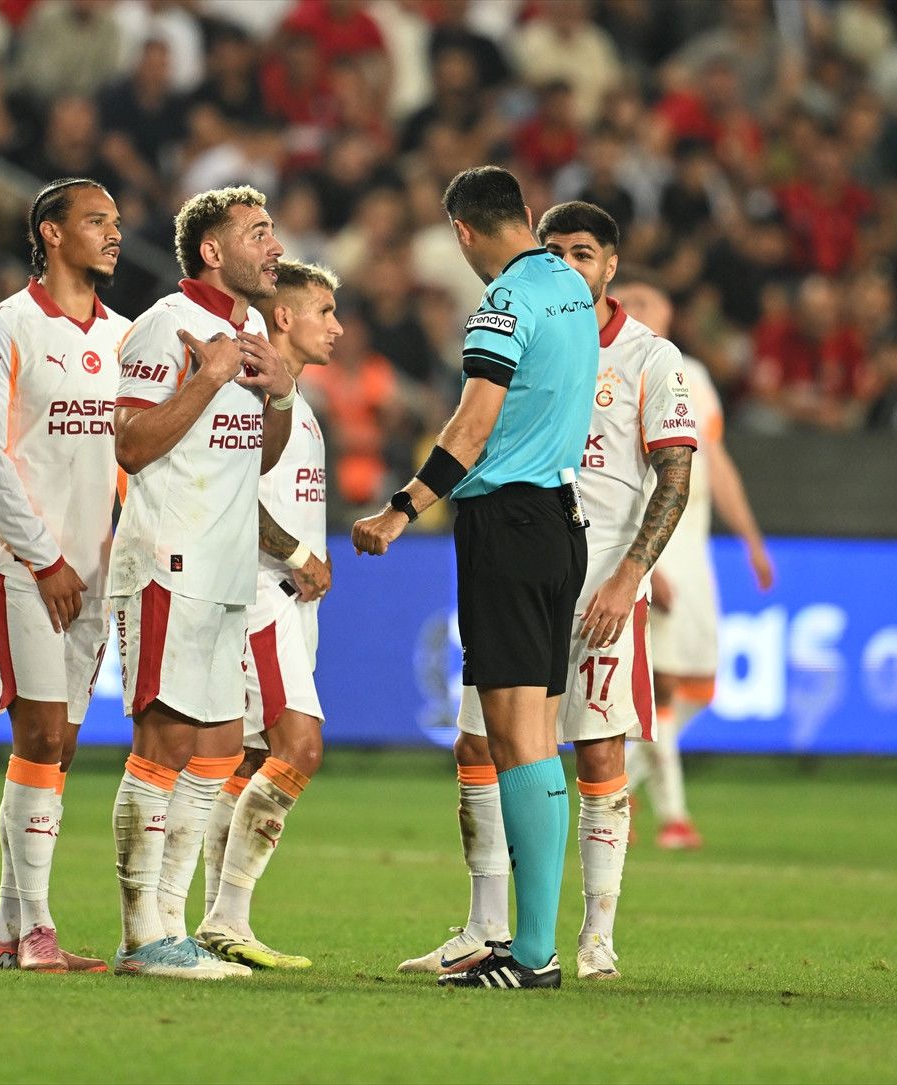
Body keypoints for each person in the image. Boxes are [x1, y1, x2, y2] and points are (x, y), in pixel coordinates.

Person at [395, 203, 697, 986]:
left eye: (584, 252)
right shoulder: (528, 325)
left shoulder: (648, 357)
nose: (568, 262)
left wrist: (632, 571)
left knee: (598, 751)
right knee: (479, 743)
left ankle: (595, 933)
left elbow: (675, 473)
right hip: (522, 558)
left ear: (611, 265)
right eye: (555, 248)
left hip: (597, 581)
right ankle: (487, 924)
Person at [353, 168, 600, 991]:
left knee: (516, 736)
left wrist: (404, 505)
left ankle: (532, 951)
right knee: (536, 732)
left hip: (509, 521)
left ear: (462, 231)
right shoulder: (570, 285)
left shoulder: (502, 305)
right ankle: (528, 941)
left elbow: (475, 418)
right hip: (563, 522)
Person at [109, 185, 319, 980]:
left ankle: (172, 926)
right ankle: (141, 933)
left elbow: (255, 457)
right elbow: (129, 445)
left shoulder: (250, 330)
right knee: (164, 743)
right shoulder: (166, 325)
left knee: (219, 749)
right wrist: (209, 377)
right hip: (170, 560)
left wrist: (278, 392)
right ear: (211, 250)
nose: (273, 246)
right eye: (258, 233)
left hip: (230, 567)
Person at [0, 178, 129, 973]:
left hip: (93, 570)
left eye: (118, 222)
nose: (113, 233)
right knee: (41, 733)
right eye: (96, 220)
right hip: (20, 563)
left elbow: (135, 453)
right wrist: (46, 556)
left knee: (59, 749)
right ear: (51, 233)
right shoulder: (3, 328)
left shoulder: (127, 338)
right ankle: (37, 933)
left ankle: (6, 930)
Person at [196, 259, 342, 970]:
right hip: (259, 594)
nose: (336, 326)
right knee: (300, 748)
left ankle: (219, 920)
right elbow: (226, 493)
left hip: (286, 599)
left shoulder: (298, 405)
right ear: (282, 316)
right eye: (323, 310)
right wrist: (295, 555)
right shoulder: (251, 391)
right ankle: (220, 915)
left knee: (250, 758)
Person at [616, 273, 774, 849]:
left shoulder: (695, 376)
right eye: (624, 301)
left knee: (698, 685)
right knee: (657, 690)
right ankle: (673, 818)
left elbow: (717, 464)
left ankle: (618, 785)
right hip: (655, 543)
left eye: (646, 301)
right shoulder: (613, 376)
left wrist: (752, 539)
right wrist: (642, 566)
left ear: (667, 312)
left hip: (697, 544)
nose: (634, 308)